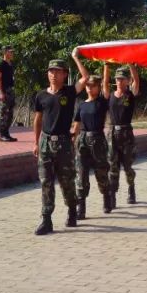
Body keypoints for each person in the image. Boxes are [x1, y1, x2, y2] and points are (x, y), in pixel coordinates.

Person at [32, 55, 89, 235]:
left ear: (65, 74)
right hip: (45, 144)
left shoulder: (69, 92)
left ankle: (72, 209)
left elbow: (85, 78)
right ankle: (46, 219)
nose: (53, 75)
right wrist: (36, 143)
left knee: (67, 182)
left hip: (64, 143)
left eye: (58, 71)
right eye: (51, 71)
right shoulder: (41, 95)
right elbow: (38, 120)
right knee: (46, 182)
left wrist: (75, 57)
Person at [72, 72, 112, 215]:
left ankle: (107, 197)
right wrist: (72, 139)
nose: (89, 88)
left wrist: (106, 65)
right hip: (82, 140)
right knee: (81, 173)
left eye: (93, 86)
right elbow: (77, 124)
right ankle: (80, 208)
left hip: (97, 140)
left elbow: (106, 85)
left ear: (98, 87)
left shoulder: (102, 102)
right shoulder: (82, 105)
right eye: (87, 85)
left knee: (101, 172)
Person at [107, 64, 141, 205]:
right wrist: (106, 66)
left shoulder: (130, 94)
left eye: (123, 79)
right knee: (112, 166)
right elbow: (104, 83)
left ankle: (131, 188)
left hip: (127, 133)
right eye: (118, 79)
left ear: (127, 81)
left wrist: (132, 65)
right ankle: (112, 194)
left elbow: (137, 81)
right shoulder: (110, 95)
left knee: (128, 166)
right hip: (113, 133)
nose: (120, 81)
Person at [0, 46, 17, 142]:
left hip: (10, 90)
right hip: (4, 90)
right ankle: (2, 134)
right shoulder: (1, 64)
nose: (12, 54)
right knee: (3, 113)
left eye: (12, 52)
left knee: (10, 113)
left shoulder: (10, 64)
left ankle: (7, 133)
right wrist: (1, 92)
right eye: (10, 52)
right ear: (5, 52)